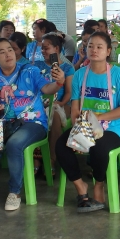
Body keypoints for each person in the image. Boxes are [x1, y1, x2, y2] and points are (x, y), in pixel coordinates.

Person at [0, 38, 64, 211]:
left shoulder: (30, 71)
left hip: (33, 122)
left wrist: (59, 82)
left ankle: (14, 192)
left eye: (10, 50)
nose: (8, 54)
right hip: (5, 123)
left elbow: (48, 89)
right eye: (1, 52)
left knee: (14, 144)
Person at [55, 32, 120, 212]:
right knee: (61, 145)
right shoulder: (79, 75)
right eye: (90, 46)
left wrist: (98, 118)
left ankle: (99, 184)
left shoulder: (118, 74)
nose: (94, 50)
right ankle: (80, 186)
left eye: (99, 47)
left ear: (108, 51)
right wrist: (79, 129)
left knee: (99, 146)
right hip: (84, 125)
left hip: (114, 127)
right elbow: (75, 108)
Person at [34, 33, 75, 170]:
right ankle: (37, 158)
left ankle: (52, 159)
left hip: (62, 104)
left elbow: (69, 92)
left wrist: (61, 103)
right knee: (34, 117)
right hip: (40, 103)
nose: (43, 51)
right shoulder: (36, 66)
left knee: (55, 116)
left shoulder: (67, 68)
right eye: (42, 48)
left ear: (56, 48)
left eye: (46, 48)